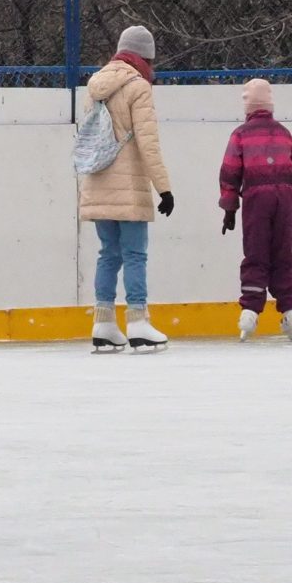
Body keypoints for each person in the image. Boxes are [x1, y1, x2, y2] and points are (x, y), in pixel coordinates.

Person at [78, 24, 175, 353]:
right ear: (146, 57)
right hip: (128, 185)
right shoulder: (138, 87)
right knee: (135, 254)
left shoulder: (96, 85)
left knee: (109, 254)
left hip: (97, 181)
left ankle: (103, 322)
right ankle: (138, 321)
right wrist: (164, 189)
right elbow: (148, 144)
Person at [218, 77, 292, 342]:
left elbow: (229, 174)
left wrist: (230, 208)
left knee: (256, 254)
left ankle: (249, 312)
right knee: (283, 254)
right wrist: (287, 197)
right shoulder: (283, 133)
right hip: (286, 198)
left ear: (248, 107)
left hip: (257, 199)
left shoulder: (240, 135)